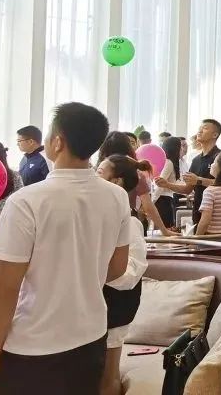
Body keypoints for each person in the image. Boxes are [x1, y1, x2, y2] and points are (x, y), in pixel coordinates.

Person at [0, 103, 132, 394]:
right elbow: (117, 270)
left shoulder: (28, 201)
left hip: (34, 346)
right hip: (90, 335)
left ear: (58, 141)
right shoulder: (117, 196)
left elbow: (5, 286)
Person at [94, 155, 149, 395]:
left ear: (116, 181)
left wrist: (91, 274)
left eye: (100, 171)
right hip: (95, 305)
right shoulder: (97, 213)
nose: (93, 175)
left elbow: (130, 273)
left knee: (107, 376)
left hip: (114, 305)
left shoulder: (129, 220)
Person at [96, 132, 176, 236]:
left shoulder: (98, 171)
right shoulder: (134, 172)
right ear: (128, 148)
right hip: (128, 222)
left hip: (101, 222)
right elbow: (148, 206)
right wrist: (164, 230)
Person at [154, 119, 221, 227]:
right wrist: (167, 184)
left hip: (217, 212)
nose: (199, 131)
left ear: (215, 134)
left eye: (205, 128)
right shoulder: (196, 160)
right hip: (198, 210)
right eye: (199, 128)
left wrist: (199, 180)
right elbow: (187, 189)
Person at [152, 136, 184, 230]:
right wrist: (152, 202)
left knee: (165, 230)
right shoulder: (168, 162)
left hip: (165, 200)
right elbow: (160, 184)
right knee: (164, 230)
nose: (182, 149)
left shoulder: (170, 162)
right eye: (180, 147)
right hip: (162, 200)